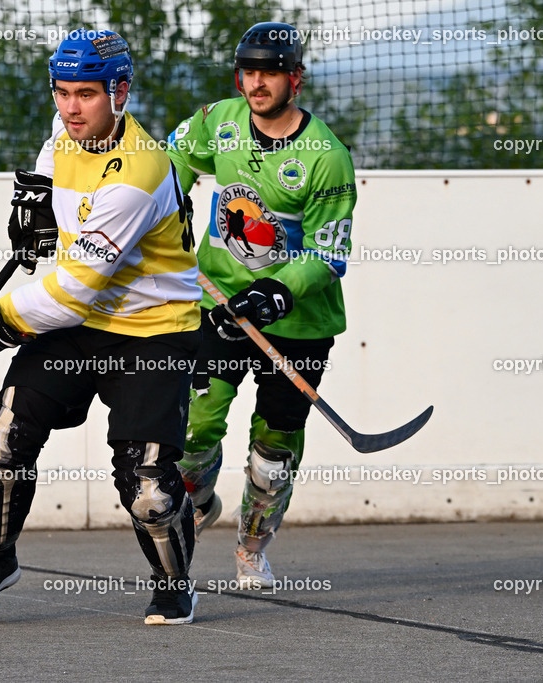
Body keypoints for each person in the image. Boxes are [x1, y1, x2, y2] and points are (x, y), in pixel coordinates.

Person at [0, 28, 203, 624]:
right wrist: (36, 196)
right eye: (61, 92)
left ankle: (174, 584)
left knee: (149, 489)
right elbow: (53, 152)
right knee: (0, 442)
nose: (71, 108)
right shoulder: (67, 132)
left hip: (152, 328)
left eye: (86, 94)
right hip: (82, 322)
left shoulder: (138, 172)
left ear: (120, 92)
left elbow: (76, 291)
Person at [165, 22, 358, 589]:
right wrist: (168, 212)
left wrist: (278, 289)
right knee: (194, 426)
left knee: (272, 455)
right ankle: (198, 500)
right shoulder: (218, 122)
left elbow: (330, 251)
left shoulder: (326, 157)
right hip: (218, 303)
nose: (257, 82)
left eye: (271, 71)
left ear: (294, 79)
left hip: (297, 321)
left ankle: (252, 549)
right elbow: (172, 160)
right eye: (249, 71)